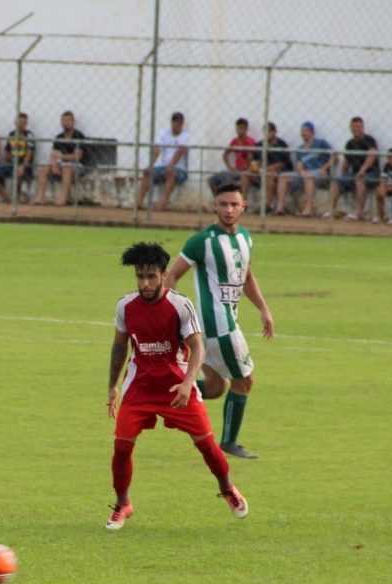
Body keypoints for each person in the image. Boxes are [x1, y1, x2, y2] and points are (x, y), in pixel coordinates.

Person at [106, 241, 249, 531]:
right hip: (140, 387)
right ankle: (123, 504)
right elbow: (119, 348)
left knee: (207, 446)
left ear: (162, 274)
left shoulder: (180, 305)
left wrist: (186, 383)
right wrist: (112, 387)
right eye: (140, 277)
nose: (145, 283)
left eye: (151, 276)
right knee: (121, 447)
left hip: (176, 386)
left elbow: (197, 348)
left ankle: (228, 488)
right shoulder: (125, 306)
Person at [165, 180, 276, 459]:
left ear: (243, 207)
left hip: (223, 324)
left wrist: (263, 309)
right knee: (245, 382)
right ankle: (228, 443)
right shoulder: (202, 241)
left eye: (234, 204)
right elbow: (171, 276)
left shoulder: (245, 238)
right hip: (218, 326)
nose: (228, 210)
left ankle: (165, 399)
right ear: (214, 206)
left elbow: (246, 276)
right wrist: (175, 314)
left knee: (214, 389)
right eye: (223, 204)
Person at [273, 121, 333, 217]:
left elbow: (335, 157)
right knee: (283, 176)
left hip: (319, 172)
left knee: (308, 177)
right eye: (302, 131)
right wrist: (301, 172)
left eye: (306, 131)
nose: (304, 133)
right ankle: (280, 208)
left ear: (312, 133)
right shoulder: (300, 149)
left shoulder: (321, 143)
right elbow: (299, 164)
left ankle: (308, 209)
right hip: (305, 173)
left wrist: (325, 168)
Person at [325, 116, 379, 220]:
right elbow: (347, 162)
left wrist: (363, 170)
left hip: (371, 173)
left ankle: (358, 212)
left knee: (359, 180)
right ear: (351, 128)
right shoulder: (350, 143)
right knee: (336, 181)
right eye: (354, 126)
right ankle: (331, 209)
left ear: (363, 127)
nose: (357, 129)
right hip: (354, 173)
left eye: (359, 126)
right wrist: (342, 176)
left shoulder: (369, 140)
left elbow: (372, 155)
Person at [137, 111, 190, 211]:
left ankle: (162, 205)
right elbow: (157, 150)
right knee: (147, 172)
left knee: (170, 173)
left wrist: (170, 166)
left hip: (179, 169)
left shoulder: (185, 135)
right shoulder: (164, 133)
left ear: (182, 124)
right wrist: (150, 165)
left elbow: (179, 152)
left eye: (179, 122)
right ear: (171, 122)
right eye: (175, 122)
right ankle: (139, 203)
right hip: (164, 166)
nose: (177, 124)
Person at [33, 110, 86, 206]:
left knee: (67, 168)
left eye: (68, 120)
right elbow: (53, 154)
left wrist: (61, 156)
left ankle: (63, 198)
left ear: (73, 122)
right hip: (61, 163)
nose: (66, 123)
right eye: (64, 121)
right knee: (44, 169)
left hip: (77, 165)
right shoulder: (59, 137)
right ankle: (40, 197)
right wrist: (53, 165)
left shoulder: (79, 136)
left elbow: (77, 156)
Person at [240, 121, 292, 213]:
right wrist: (255, 169)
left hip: (277, 172)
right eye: (265, 132)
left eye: (269, 132)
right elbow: (255, 162)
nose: (266, 134)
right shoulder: (259, 145)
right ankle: (243, 204)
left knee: (269, 176)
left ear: (274, 132)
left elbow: (281, 163)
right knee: (245, 174)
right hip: (261, 171)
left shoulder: (281, 144)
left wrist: (266, 169)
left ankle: (266, 206)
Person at [0, 112, 35, 200]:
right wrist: (3, 163)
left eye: (23, 122)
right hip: (11, 164)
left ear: (26, 124)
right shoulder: (12, 134)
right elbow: (7, 151)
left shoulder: (29, 135)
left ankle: (16, 197)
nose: (21, 125)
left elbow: (29, 152)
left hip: (24, 165)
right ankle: (4, 195)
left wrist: (23, 166)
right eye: (19, 122)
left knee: (20, 171)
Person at [207, 118, 256, 193]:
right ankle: (218, 200)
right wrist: (229, 166)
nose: (239, 131)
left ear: (246, 129)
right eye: (238, 128)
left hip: (244, 172)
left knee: (233, 181)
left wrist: (243, 168)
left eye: (242, 128)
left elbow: (250, 159)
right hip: (235, 171)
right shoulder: (235, 141)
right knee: (211, 180)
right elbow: (225, 155)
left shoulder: (249, 141)